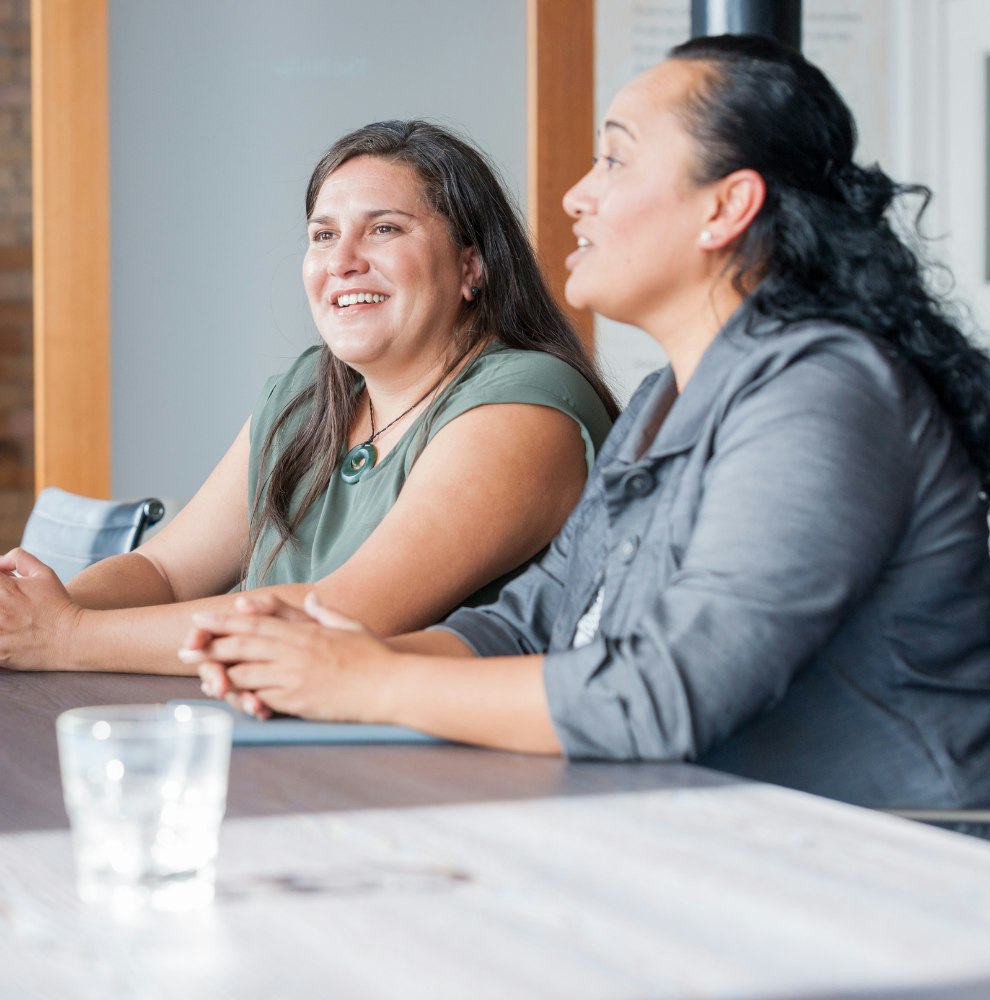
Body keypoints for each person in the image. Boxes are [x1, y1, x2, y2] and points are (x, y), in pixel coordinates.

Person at [187, 35, 990, 812]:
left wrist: (362, 681)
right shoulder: (660, 403)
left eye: (614, 159)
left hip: (901, 862)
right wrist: (309, 658)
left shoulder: (826, 394)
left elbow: (661, 694)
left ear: (726, 208)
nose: (577, 195)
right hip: (731, 839)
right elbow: (527, 624)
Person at [0, 121, 615, 675]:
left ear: (472, 265)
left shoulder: (527, 404)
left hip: (449, 776)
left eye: (384, 229)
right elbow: (164, 572)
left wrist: (66, 636)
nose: (342, 261)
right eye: (323, 235)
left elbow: (349, 613)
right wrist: (32, 615)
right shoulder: (308, 392)